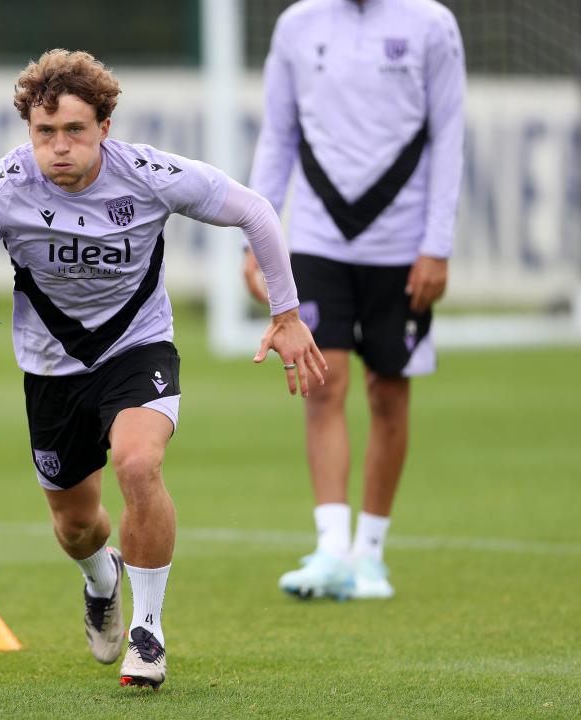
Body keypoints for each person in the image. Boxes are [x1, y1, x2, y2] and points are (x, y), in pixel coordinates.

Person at [0, 48, 326, 688]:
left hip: (139, 348)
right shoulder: (5, 188)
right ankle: (101, 577)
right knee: (76, 526)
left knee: (139, 463)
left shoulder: (148, 174)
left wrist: (286, 311)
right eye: (44, 132)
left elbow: (255, 210)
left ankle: (149, 633)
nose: (59, 147)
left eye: (74, 131)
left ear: (105, 127)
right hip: (52, 370)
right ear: (29, 131)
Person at [244, 0, 466, 600]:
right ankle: (330, 548)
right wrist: (257, 243)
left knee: (388, 393)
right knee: (323, 382)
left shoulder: (431, 24)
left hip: (404, 249)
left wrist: (437, 247)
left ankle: (370, 554)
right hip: (318, 242)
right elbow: (279, 136)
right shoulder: (297, 25)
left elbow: (449, 135)